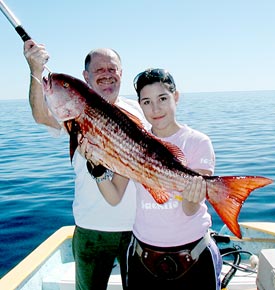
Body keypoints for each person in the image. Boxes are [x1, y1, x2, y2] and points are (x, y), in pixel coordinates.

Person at [23, 40, 149, 290]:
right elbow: (40, 114)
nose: (106, 74)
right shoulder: (72, 108)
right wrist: (35, 70)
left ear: (121, 74)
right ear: (86, 76)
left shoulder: (138, 110)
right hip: (91, 229)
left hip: (139, 229)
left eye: (112, 69)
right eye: (99, 70)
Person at [83, 68, 222, 290]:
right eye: (146, 102)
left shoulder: (198, 142)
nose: (155, 109)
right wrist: (97, 170)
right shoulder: (132, 140)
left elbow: (189, 209)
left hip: (193, 256)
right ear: (139, 105)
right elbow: (114, 196)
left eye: (163, 98)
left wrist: (193, 196)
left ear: (176, 97)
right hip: (143, 257)